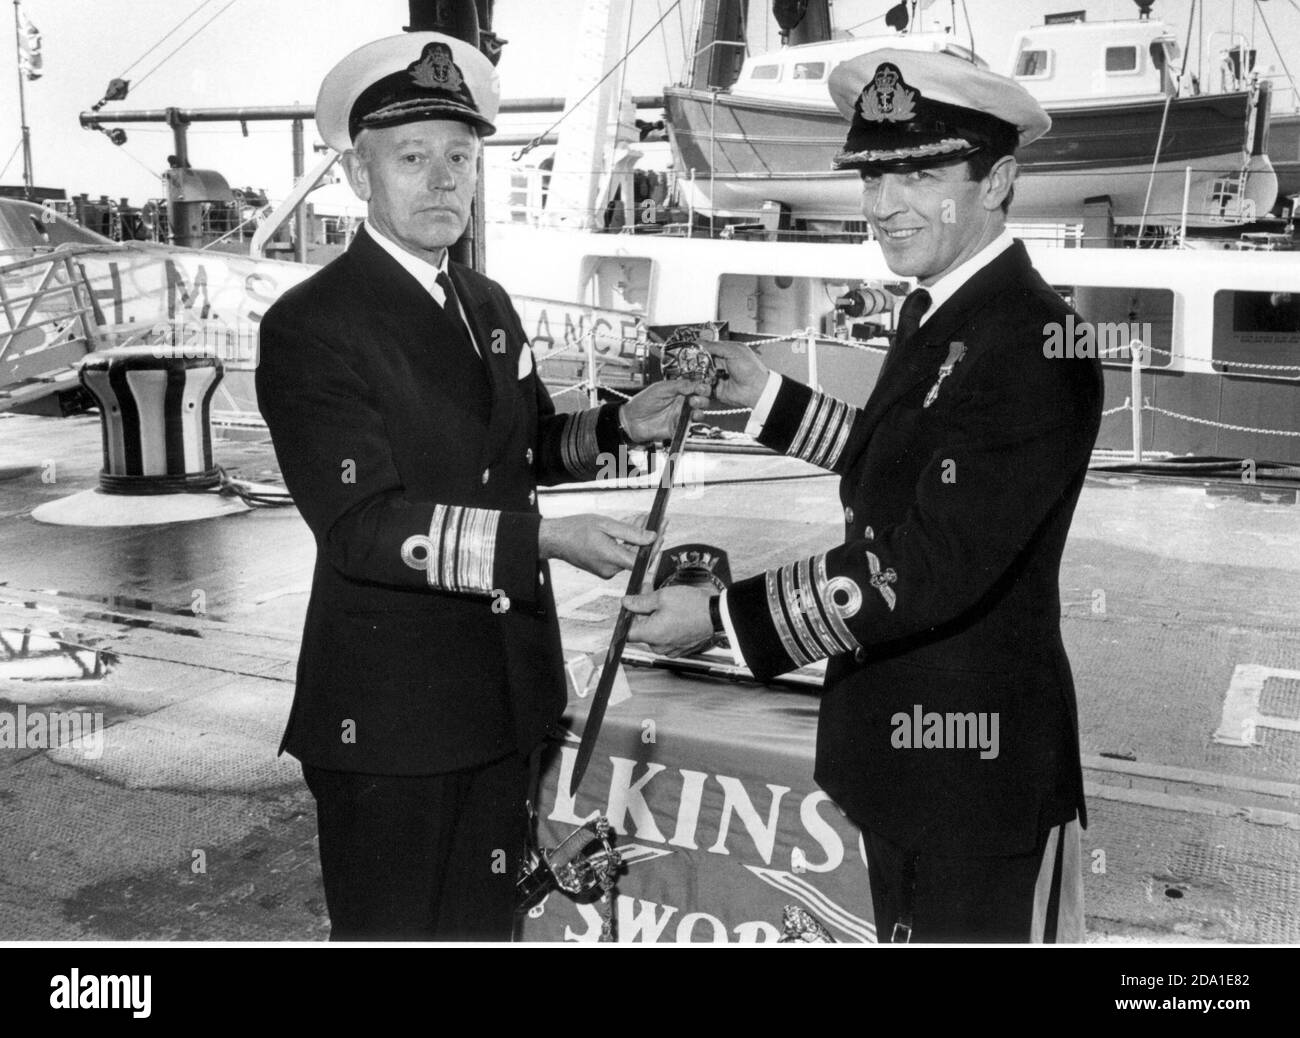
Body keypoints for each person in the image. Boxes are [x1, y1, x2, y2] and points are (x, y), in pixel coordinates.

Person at [625, 49, 1103, 943]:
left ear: (996, 181)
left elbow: (931, 561)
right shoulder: (942, 308)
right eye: (875, 174)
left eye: (921, 173)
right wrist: (765, 399)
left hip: (977, 780)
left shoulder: (1038, 339)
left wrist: (722, 621)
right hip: (906, 760)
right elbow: (900, 468)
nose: (886, 204)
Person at [255, 32, 706, 942]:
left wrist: (623, 424)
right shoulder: (314, 325)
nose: (443, 179)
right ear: (357, 174)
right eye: (413, 157)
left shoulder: (485, 302)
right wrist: (542, 541)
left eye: (460, 156)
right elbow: (363, 527)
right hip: (393, 722)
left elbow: (526, 447)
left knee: (489, 930)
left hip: (505, 695)